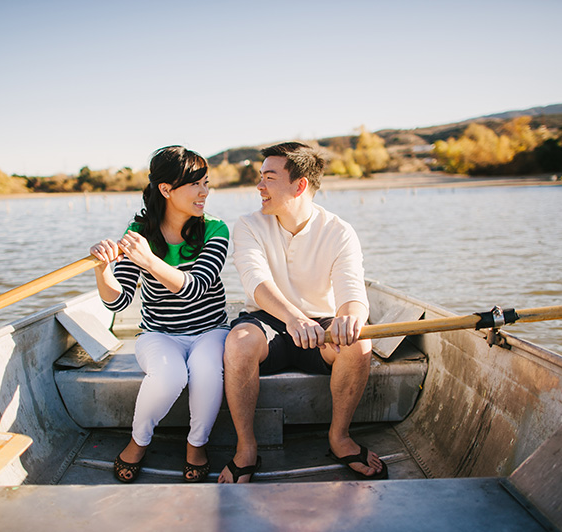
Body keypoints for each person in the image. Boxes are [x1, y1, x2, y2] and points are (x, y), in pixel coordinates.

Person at [218, 141, 387, 483]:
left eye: (268, 178)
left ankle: (339, 438)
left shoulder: (339, 231)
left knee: (360, 344)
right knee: (238, 342)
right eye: (260, 178)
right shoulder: (249, 224)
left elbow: (352, 292)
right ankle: (246, 448)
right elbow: (257, 284)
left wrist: (350, 318)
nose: (259, 186)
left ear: (300, 185)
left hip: (321, 328)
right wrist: (294, 319)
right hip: (269, 320)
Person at [90, 146, 229, 483]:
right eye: (195, 184)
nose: (204, 193)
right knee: (170, 377)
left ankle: (196, 445)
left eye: (206, 183)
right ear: (166, 190)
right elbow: (118, 302)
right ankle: (138, 442)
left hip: (210, 330)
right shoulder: (139, 232)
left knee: (207, 371)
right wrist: (103, 269)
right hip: (159, 334)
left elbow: (195, 287)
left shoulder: (216, 229)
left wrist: (149, 260)